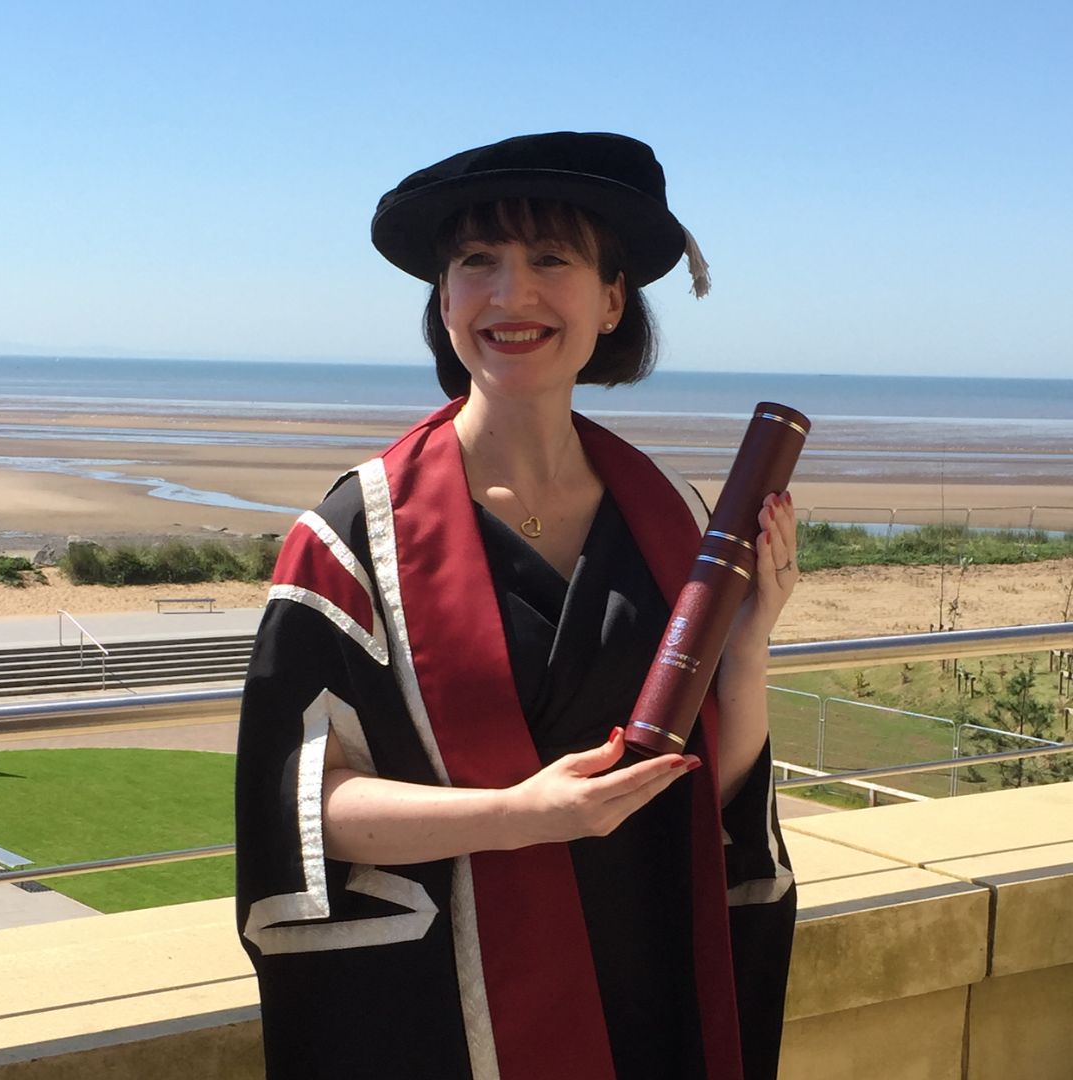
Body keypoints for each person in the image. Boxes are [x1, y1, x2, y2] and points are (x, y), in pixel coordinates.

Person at [236, 131, 798, 1080]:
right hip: (451, 1011)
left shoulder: (673, 519)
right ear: (444, 301)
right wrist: (521, 814)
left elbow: (712, 785)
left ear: (614, 298)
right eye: (477, 263)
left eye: (551, 260)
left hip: (647, 976)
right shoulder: (352, 537)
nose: (510, 295)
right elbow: (307, 807)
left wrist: (747, 649)